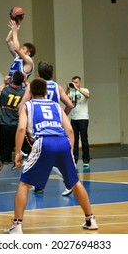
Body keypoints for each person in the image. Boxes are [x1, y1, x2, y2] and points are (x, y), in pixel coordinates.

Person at [3, 78, 98, 234]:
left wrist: (18, 152)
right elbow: (70, 130)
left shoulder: (27, 105)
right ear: (46, 93)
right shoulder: (55, 105)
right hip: (63, 142)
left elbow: (21, 129)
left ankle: (17, 225)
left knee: (24, 184)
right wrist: (70, 151)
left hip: (44, 142)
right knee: (75, 182)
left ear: (31, 93)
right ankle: (90, 219)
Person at [21, 60, 74, 196]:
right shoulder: (57, 87)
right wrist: (61, 118)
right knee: (53, 157)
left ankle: (66, 181)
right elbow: (69, 105)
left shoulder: (34, 86)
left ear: (38, 74)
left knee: (41, 156)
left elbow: (22, 105)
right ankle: (40, 184)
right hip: (56, 126)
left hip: (40, 127)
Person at [0, 71, 28, 191]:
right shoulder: (23, 93)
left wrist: (4, 83)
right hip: (17, 127)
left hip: (4, 127)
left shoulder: (4, 90)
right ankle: (30, 180)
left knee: (2, 157)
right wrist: (26, 82)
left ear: (12, 80)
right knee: (27, 153)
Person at [67, 76, 91, 168]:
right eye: (73, 82)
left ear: (80, 82)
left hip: (83, 118)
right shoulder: (71, 92)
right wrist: (68, 90)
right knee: (74, 140)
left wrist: (78, 89)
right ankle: (75, 160)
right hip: (74, 118)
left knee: (84, 139)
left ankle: (86, 160)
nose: (75, 84)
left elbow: (88, 96)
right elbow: (65, 99)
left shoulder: (85, 90)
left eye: (76, 82)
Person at [6, 19, 36, 86]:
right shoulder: (17, 57)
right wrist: (14, 29)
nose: (21, 49)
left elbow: (16, 48)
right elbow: (8, 40)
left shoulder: (29, 61)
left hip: (19, 90)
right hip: (10, 87)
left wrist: (15, 32)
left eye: (23, 49)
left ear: (28, 53)